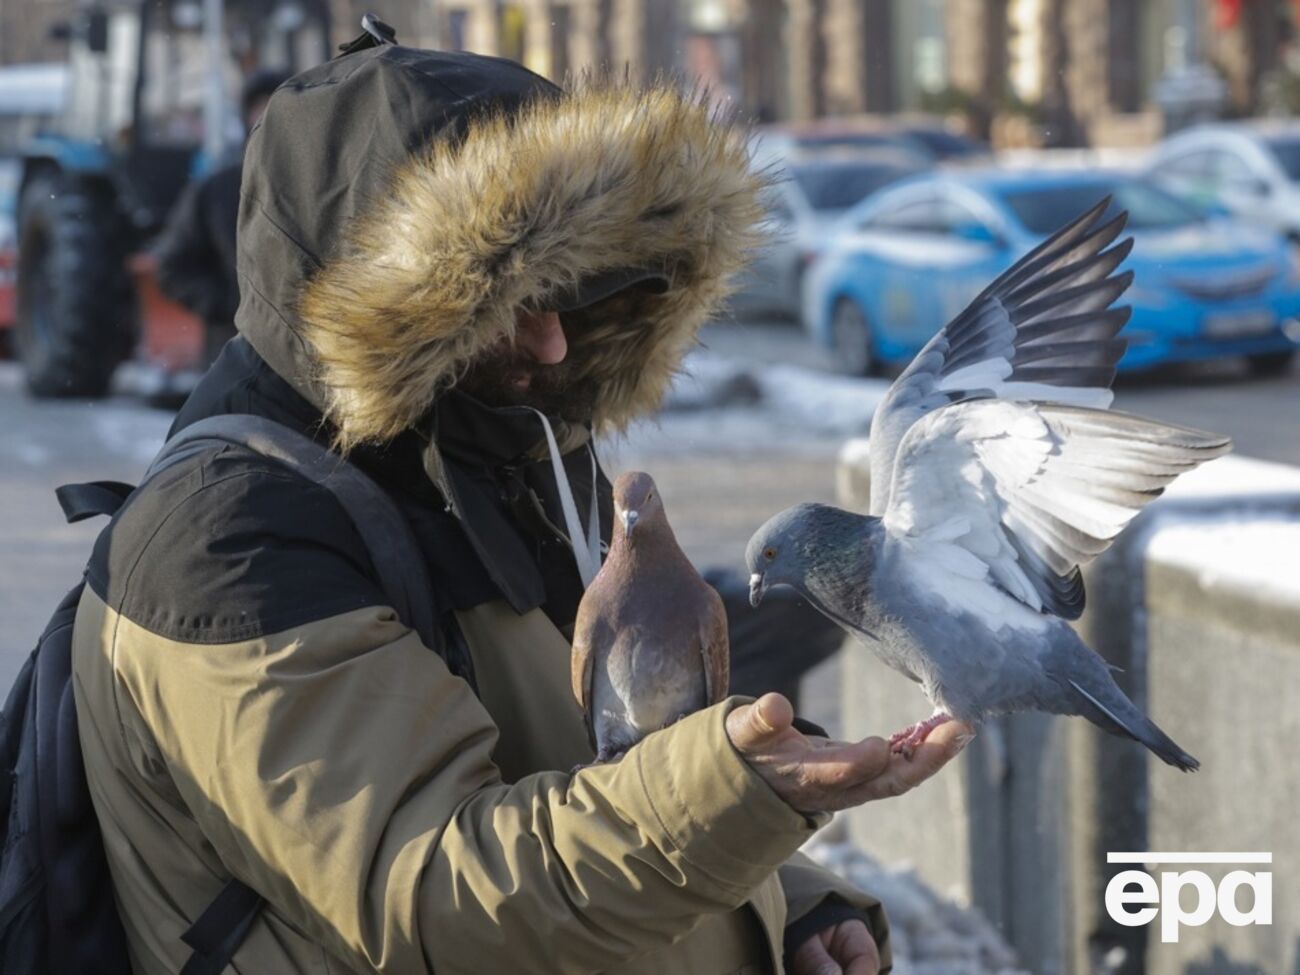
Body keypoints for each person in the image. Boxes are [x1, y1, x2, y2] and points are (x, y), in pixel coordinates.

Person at [70, 40, 971, 975]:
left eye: (566, 292)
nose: (550, 344)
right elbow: (442, 898)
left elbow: (607, 783)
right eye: (500, 301)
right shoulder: (223, 544)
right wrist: (740, 794)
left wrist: (785, 906)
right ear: (385, 303)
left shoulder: (499, 448)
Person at [153, 69, 290, 366]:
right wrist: (232, 305)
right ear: (247, 116)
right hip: (236, 356)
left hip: (310, 365)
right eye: (260, 108)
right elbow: (172, 267)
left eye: (280, 108)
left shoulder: (325, 187)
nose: (269, 118)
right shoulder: (219, 190)